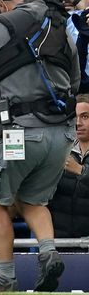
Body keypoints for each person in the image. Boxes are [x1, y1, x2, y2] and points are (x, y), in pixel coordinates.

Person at [0, 0, 80, 292]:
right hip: (61, 135)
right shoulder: (58, 23)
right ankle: (48, 251)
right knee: (32, 198)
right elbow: (73, 82)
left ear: (1, 2)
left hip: (18, 132)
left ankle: (5, 278)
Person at [48, 94, 89, 238]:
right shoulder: (58, 149)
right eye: (74, 117)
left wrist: (80, 170)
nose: (78, 123)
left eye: (85, 117)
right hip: (59, 240)